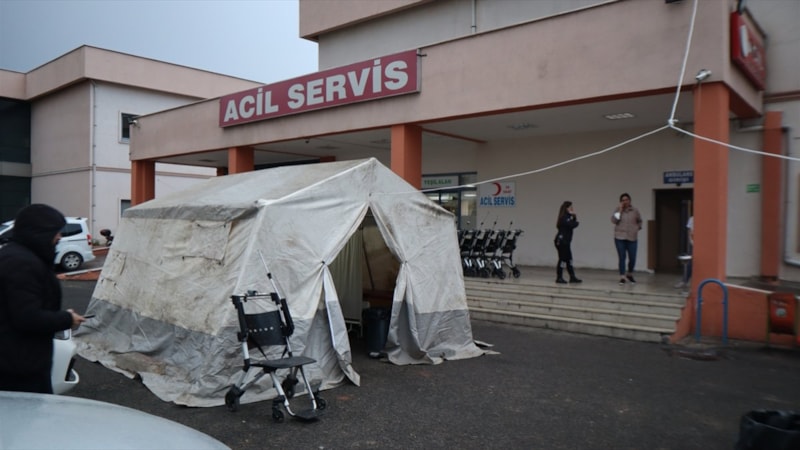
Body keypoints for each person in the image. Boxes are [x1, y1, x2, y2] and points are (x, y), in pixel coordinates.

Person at [0, 204, 86, 393]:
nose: (59, 237)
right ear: (40, 233)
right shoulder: (21, 264)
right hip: (17, 368)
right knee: (25, 418)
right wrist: (66, 319)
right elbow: (27, 317)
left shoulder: (15, 256)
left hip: (16, 362)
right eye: (56, 232)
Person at [610, 193, 643, 285]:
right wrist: (620, 211)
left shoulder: (635, 210)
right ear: (621, 202)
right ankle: (622, 276)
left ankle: (630, 274)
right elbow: (614, 220)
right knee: (622, 257)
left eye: (626, 200)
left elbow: (640, 220)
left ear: (630, 201)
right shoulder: (617, 210)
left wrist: (637, 228)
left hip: (632, 237)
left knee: (632, 257)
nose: (625, 201)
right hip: (619, 237)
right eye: (623, 200)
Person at [554, 201, 582, 284]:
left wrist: (574, 217)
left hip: (566, 241)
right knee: (562, 259)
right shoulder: (564, 217)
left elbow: (573, 223)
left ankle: (572, 277)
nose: (572, 209)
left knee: (569, 259)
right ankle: (559, 277)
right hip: (562, 241)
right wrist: (574, 218)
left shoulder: (568, 217)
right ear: (566, 208)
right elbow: (573, 224)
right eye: (570, 207)